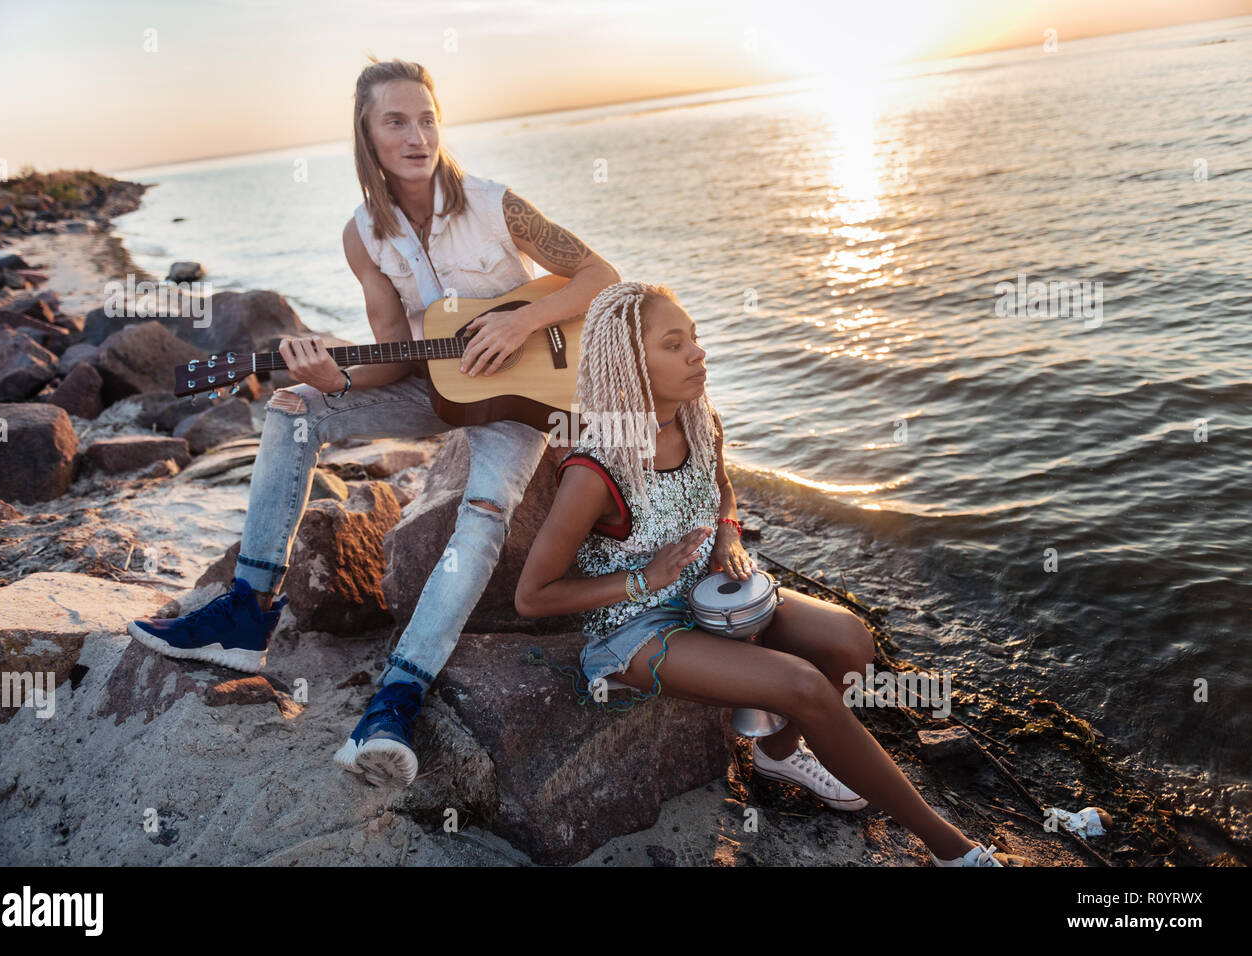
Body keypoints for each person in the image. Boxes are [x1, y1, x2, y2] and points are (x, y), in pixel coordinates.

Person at [128, 57, 620, 789]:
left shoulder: (494, 204)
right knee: (293, 409)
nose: (417, 134)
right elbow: (391, 355)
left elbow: (599, 277)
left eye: (427, 118)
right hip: (432, 388)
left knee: (484, 516)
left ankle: (397, 695)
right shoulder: (364, 236)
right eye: (397, 121)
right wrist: (337, 378)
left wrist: (523, 321)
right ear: (368, 136)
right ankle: (244, 610)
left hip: (520, 398)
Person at [514, 281, 1028, 866]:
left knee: (851, 639)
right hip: (637, 627)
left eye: (696, 339)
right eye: (675, 344)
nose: (698, 354)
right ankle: (952, 850)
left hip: (712, 594)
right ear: (630, 363)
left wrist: (728, 533)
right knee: (804, 686)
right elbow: (533, 597)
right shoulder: (594, 468)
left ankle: (780, 753)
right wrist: (645, 581)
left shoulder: (699, 419)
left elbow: (721, 490)